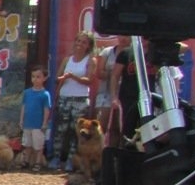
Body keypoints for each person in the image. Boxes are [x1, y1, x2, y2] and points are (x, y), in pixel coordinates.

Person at [51, 31, 95, 171]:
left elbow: (89, 80)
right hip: (65, 97)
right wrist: (62, 78)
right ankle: (56, 158)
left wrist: (73, 77)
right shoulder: (67, 60)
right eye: (78, 41)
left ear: (88, 46)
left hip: (80, 99)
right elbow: (57, 77)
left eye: (84, 42)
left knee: (75, 131)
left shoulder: (90, 60)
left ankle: (71, 160)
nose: (80, 44)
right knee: (61, 129)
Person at [111, 37, 155, 142]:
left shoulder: (155, 54)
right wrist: (114, 97)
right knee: (128, 128)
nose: (144, 39)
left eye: (146, 37)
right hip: (128, 98)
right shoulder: (126, 53)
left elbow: (183, 48)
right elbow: (115, 76)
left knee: (147, 128)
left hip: (149, 97)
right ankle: (126, 148)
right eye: (142, 36)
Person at [95, 34, 130, 135]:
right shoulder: (107, 51)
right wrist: (115, 73)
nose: (123, 38)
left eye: (127, 36)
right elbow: (99, 73)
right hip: (105, 94)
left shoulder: (133, 53)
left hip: (124, 95)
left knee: (117, 129)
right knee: (100, 127)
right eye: (121, 35)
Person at [19, 64, 51, 170]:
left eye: (38, 77)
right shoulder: (27, 92)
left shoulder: (45, 94)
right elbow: (24, 106)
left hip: (38, 124)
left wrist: (44, 123)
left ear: (44, 78)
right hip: (27, 123)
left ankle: (38, 162)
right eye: (33, 76)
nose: (35, 79)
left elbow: (46, 109)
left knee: (38, 145)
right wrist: (21, 120)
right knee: (27, 144)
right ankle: (26, 161)